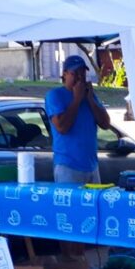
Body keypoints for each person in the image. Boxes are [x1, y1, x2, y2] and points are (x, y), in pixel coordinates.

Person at [46, 55, 111, 184]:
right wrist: (76, 99)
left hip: (91, 165)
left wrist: (90, 99)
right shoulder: (55, 95)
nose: (80, 77)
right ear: (65, 74)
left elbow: (105, 123)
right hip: (68, 166)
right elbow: (62, 127)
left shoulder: (89, 96)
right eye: (75, 73)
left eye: (83, 73)